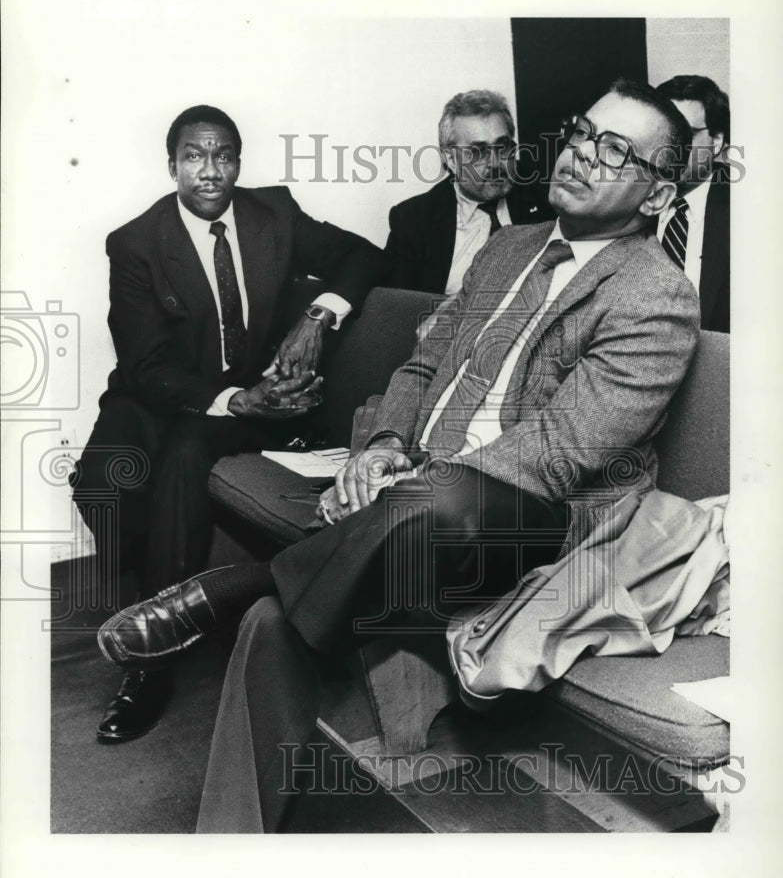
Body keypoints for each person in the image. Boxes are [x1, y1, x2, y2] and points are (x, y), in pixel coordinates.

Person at [97, 80, 700, 831]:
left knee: (430, 505)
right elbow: (420, 371)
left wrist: (417, 479)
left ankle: (232, 584)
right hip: (417, 507)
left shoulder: (656, 296)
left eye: (613, 150)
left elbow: (560, 451)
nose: (581, 152)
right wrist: (381, 446)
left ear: (655, 193)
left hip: (535, 520)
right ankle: (234, 842)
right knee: (273, 624)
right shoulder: (507, 248)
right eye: (581, 131)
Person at [73, 105, 386, 743]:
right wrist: (236, 400)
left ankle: (149, 660)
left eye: (223, 157)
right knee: (102, 483)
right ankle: (146, 597)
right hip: (154, 393)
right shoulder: (136, 242)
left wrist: (317, 318)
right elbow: (144, 365)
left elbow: (361, 257)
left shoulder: (275, 214)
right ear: (172, 166)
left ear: (238, 164)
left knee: (187, 458)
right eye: (195, 157)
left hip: (244, 404)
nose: (210, 172)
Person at [384, 89, 553, 295]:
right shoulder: (413, 221)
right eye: (478, 152)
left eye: (502, 147)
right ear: (452, 160)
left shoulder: (547, 194)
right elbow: (398, 309)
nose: (494, 163)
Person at [656, 75, 730, 332]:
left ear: (716, 141)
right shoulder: (629, 198)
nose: (672, 146)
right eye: (663, 131)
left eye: (686, 133)